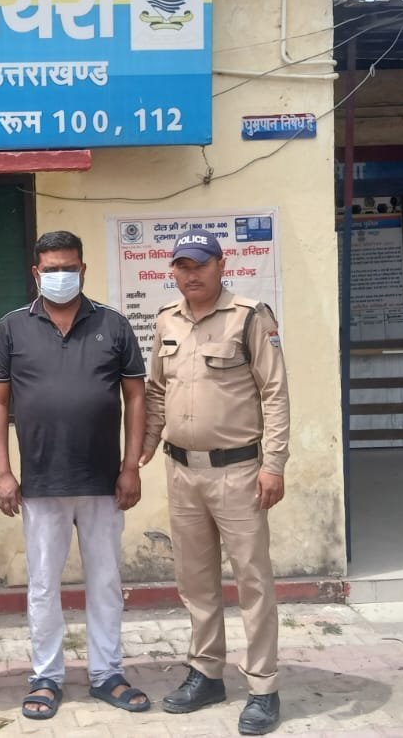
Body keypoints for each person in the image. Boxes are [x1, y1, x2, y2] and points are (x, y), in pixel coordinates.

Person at [0, 230, 151, 721]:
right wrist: (2, 472)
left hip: (103, 481)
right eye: (52, 269)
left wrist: (130, 466)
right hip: (41, 482)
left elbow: (136, 397)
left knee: (105, 580)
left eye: (69, 268)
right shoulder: (12, 327)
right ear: (36, 273)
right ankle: (46, 676)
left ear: (83, 269)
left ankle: (107, 673)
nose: (61, 276)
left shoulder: (113, 325)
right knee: (42, 585)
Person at [142, 228, 290, 735]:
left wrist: (274, 464)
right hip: (182, 471)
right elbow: (156, 390)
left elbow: (275, 393)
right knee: (195, 580)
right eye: (183, 266)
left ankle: (263, 686)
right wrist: (146, 443)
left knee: (252, 580)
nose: (192, 274)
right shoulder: (166, 319)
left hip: (239, 472)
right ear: (173, 271)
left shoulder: (250, 317)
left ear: (221, 265)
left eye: (200, 264)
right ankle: (206, 672)